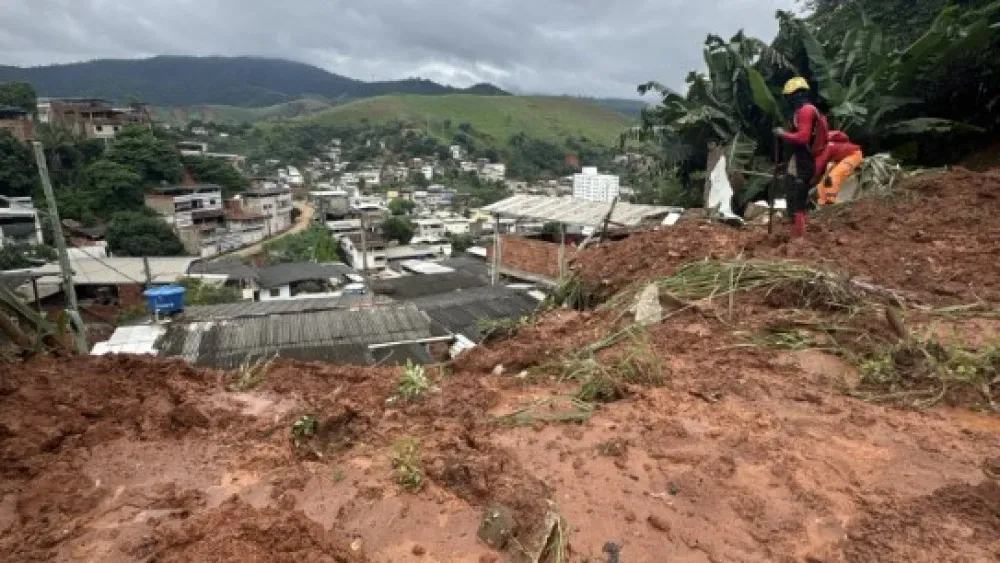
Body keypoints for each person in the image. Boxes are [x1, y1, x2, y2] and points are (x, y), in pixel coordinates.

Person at [774, 77, 829, 237]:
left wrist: (782, 134)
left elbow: (803, 138)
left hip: (804, 159)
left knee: (797, 194)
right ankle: (796, 231)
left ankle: (799, 235)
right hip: (800, 158)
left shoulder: (806, 111)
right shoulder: (803, 111)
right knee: (792, 190)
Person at [815, 130, 863, 206]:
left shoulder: (827, 146)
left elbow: (820, 163)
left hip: (853, 155)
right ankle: (823, 202)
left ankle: (831, 199)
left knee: (834, 176)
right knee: (823, 181)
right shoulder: (826, 144)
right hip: (840, 158)